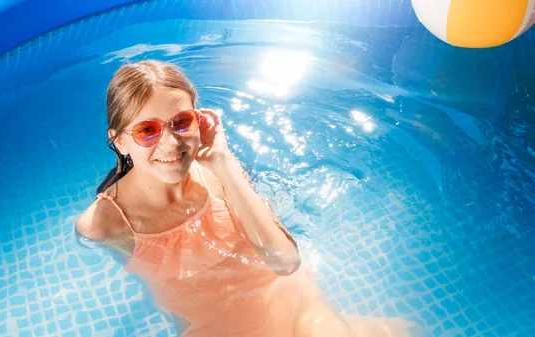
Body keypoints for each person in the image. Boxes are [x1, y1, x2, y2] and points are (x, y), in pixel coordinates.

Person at [75, 60, 418, 337]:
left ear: (200, 121)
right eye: (147, 130)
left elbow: (285, 264)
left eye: (181, 122)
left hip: (289, 299)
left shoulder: (217, 173)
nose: (171, 143)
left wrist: (223, 164)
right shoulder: (103, 224)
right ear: (119, 141)